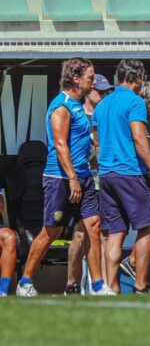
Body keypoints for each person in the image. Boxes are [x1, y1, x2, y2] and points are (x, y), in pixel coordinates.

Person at [16, 58, 109, 298]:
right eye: (90, 76)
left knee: (93, 228)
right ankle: (25, 281)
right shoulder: (61, 106)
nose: (93, 80)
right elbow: (60, 145)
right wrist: (72, 179)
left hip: (85, 176)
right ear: (76, 78)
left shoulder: (80, 104)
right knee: (52, 231)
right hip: (60, 179)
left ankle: (99, 286)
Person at [94, 59, 150, 293]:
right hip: (129, 172)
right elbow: (139, 138)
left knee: (115, 232)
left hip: (107, 175)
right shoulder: (135, 102)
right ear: (138, 79)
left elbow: (97, 142)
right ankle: (141, 285)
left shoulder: (102, 104)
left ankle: (110, 289)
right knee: (147, 227)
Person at [66, 73, 113, 294]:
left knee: (100, 231)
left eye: (106, 92)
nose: (103, 95)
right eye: (100, 92)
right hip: (81, 178)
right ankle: (72, 283)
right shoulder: (75, 113)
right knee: (80, 233)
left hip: (102, 178)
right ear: (89, 91)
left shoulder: (104, 115)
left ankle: (99, 284)